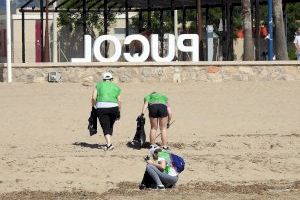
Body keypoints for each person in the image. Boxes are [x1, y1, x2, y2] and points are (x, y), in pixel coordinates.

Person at [91, 72, 121, 151]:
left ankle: (109, 144)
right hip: (114, 108)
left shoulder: (98, 85)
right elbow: (119, 101)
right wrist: (119, 112)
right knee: (110, 125)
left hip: (102, 107)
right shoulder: (116, 87)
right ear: (111, 79)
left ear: (103, 79)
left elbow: (93, 98)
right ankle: (109, 143)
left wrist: (93, 106)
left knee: (105, 126)